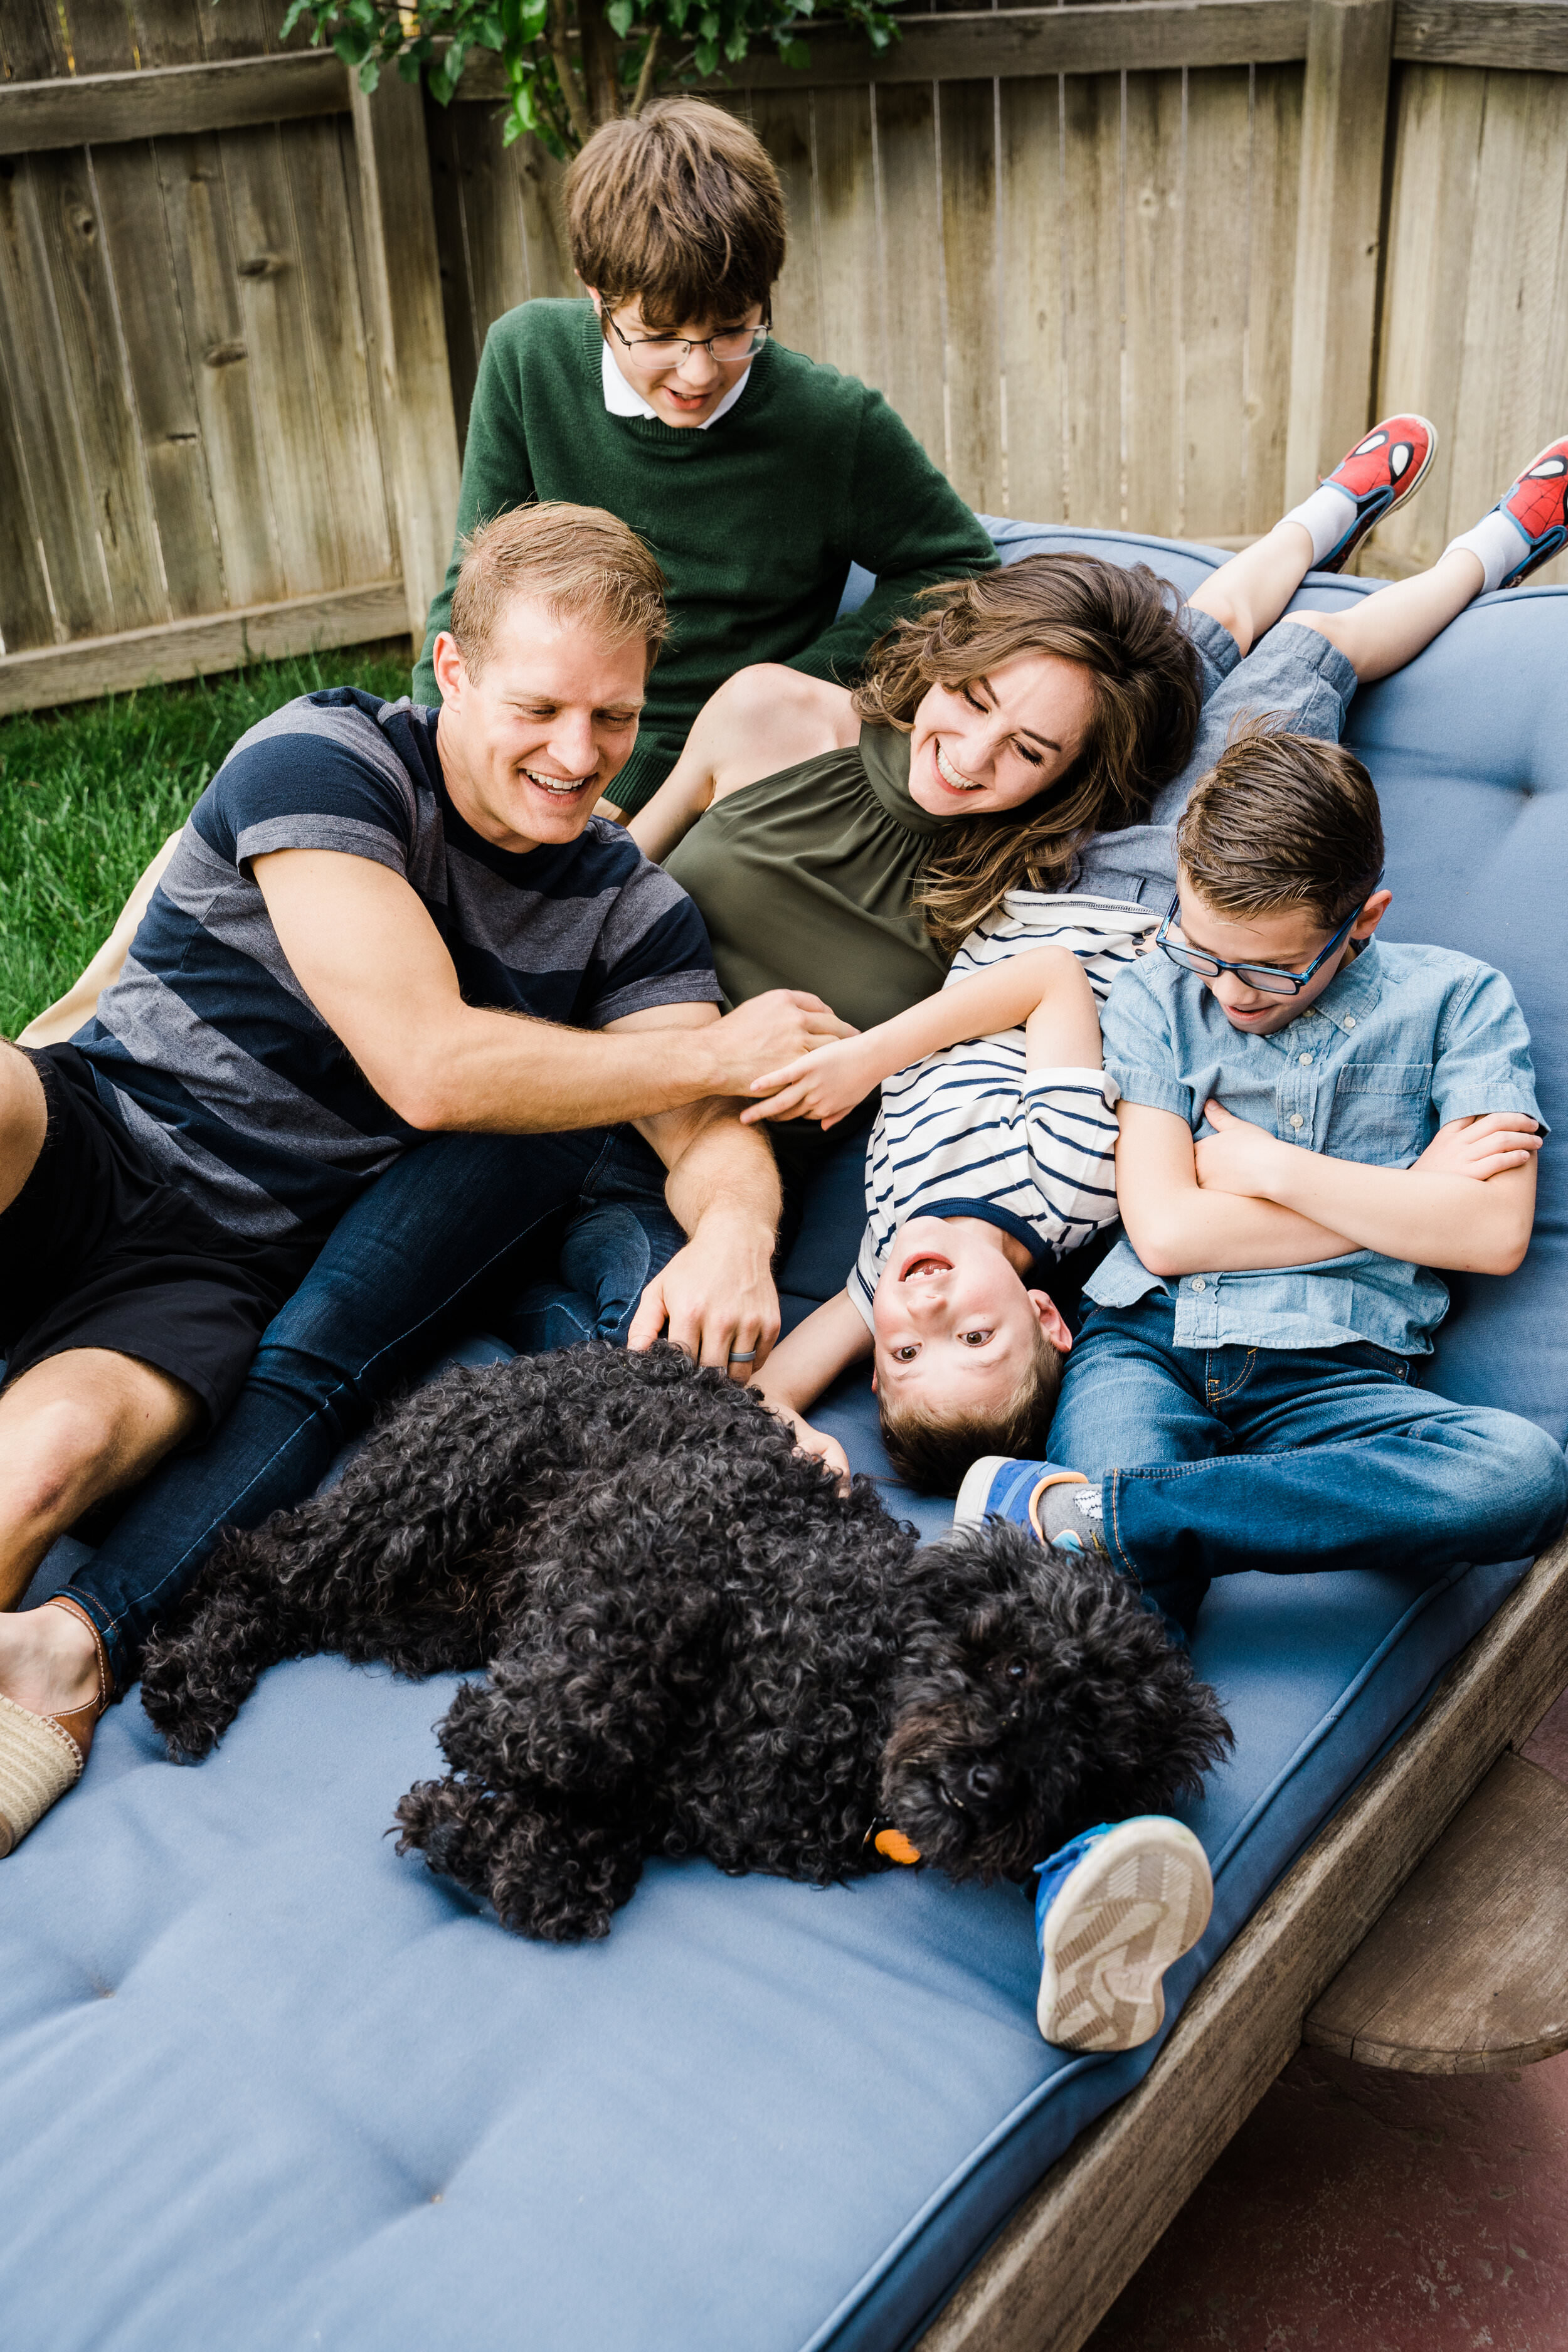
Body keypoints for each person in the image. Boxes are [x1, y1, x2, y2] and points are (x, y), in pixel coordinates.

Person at [0, 501, 852, 1857]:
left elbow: (700, 1132)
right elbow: (425, 1066)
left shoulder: (627, 912)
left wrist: (740, 1235)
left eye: (616, 720)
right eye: (540, 707)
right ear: (449, 670)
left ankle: (56, 1664)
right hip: (89, 1132)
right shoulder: (329, 759)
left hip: (214, 1266)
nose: (577, 757)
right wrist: (710, 1047)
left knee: (37, 1469)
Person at [689, 423, 1568, 1491]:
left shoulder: (883, 1275)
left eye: (907, 1354)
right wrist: (869, 1058)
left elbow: (765, 1388)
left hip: (1044, 874)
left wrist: (791, 1435)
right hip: (1155, 897)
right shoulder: (1061, 1191)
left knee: (1183, 646)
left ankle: (1324, 514)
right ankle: (1489, 553)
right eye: (977, 1341)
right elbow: (1049, 984)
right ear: (1044, 1315)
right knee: (1305, 658)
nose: (928, 1315)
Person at [955, 723, 1568, 1641]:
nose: (1230, 991)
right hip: (1151, 1340)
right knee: (1110, 1630)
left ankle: (1116, 1516)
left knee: (1521, 1475)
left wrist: (1268, 1168)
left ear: (1364, 918)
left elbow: (1489, 1233)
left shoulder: (1459, 1001)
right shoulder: (1161, 992)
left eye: (1270, 968)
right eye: (1206, 949)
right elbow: (1166, 1232)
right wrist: (1410, 1194)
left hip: (1337, 1375)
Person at [410, 97, 998, 818]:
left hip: (727, 772)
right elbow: (471, 582)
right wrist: (428, 738)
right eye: (657, 337)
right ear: (596, 295)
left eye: (732, 330)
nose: (697, 373)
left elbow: (958, 566)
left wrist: (790, 691)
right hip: (556, 729)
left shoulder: (831, 423)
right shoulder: (527, 359)